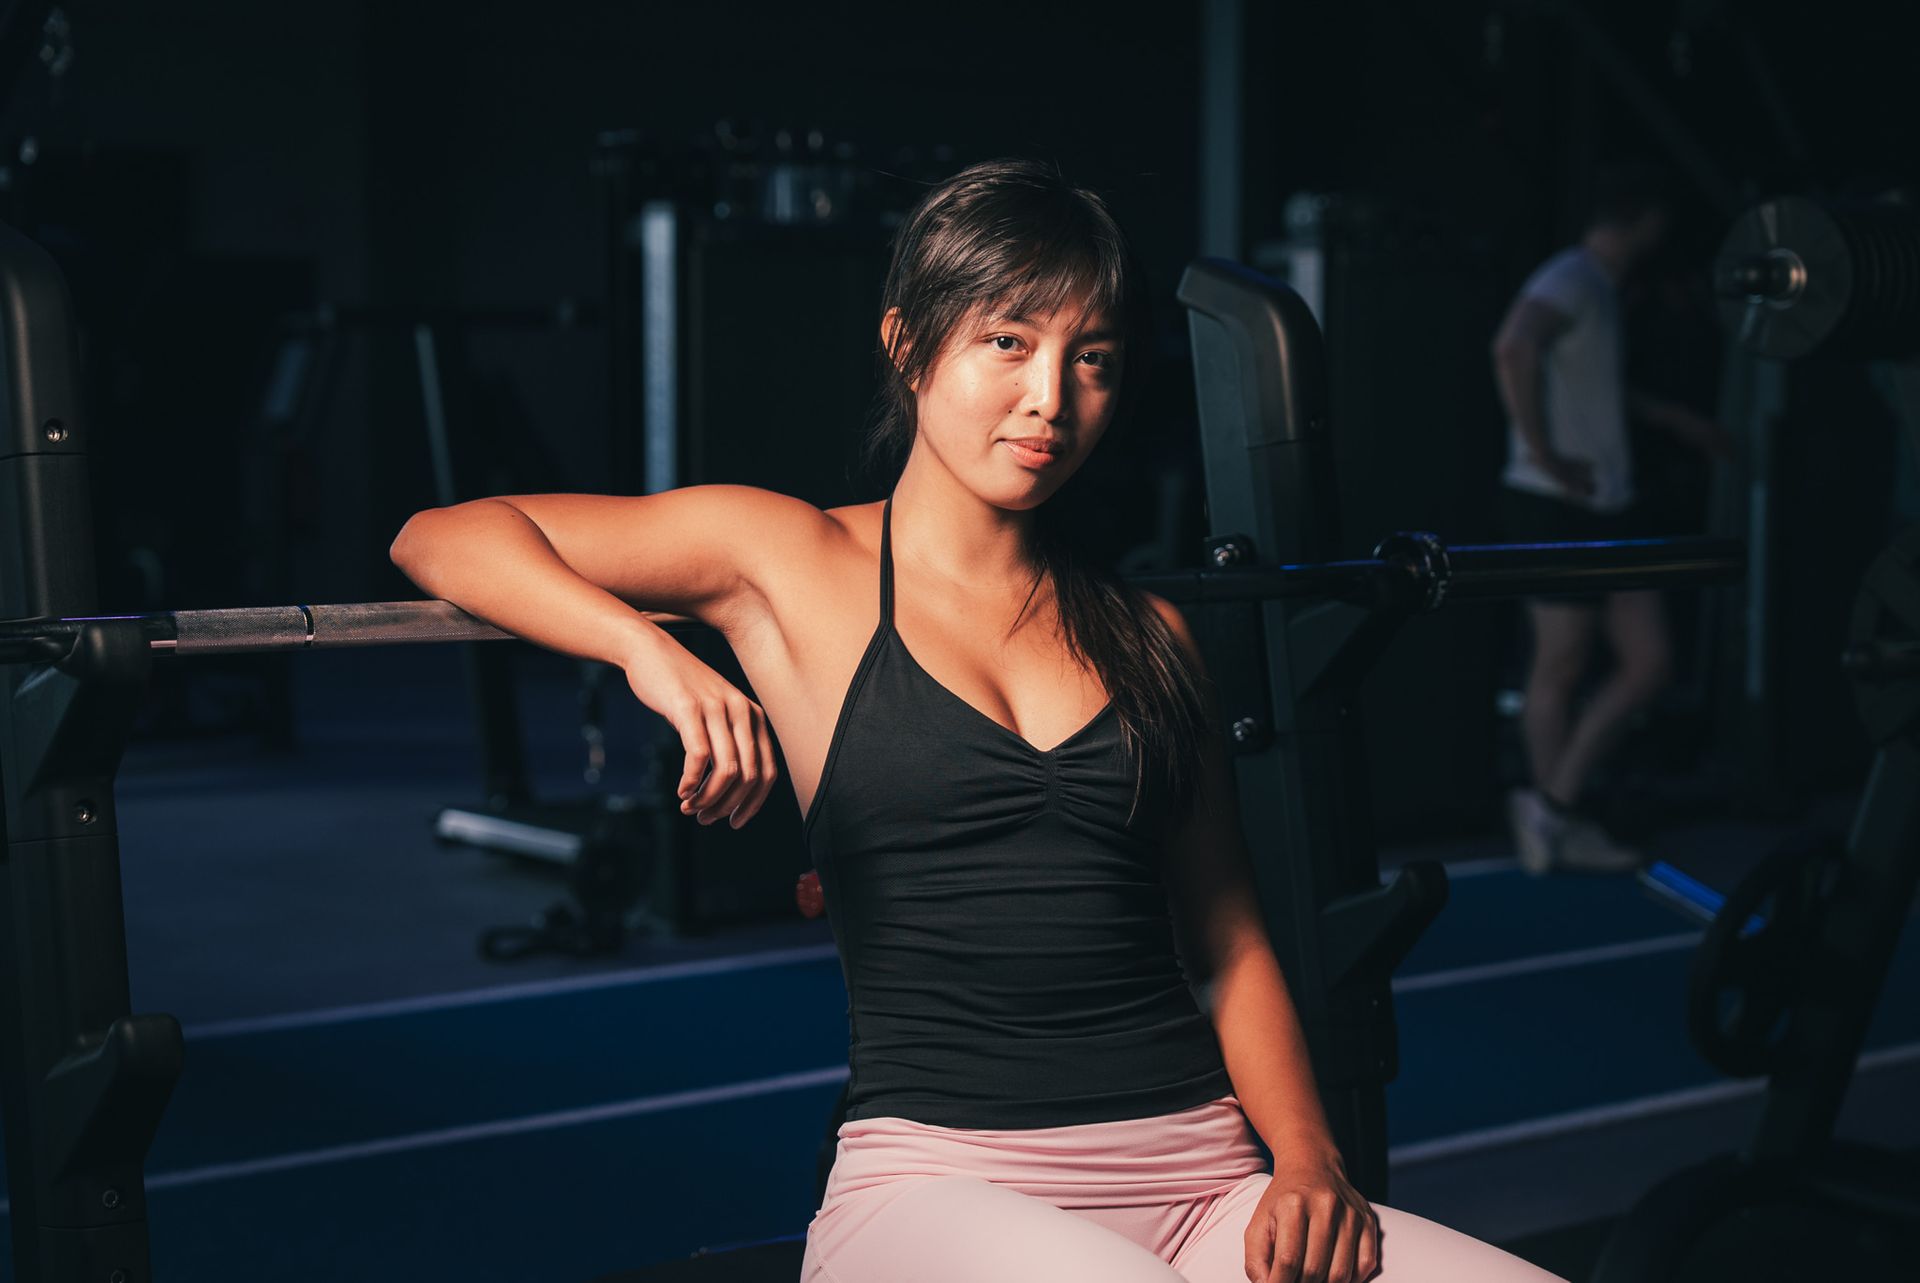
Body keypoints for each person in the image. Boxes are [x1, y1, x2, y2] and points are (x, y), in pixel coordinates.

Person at [393, 159, 1563, 1283]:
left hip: (1205, 1180)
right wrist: (651, 652)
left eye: (1091, 358)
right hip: (941, 1186)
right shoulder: (789, 557)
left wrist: (1309, 1163)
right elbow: (442, 535)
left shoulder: (1150, 631)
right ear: (908, 343)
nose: (1050, 398)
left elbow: (1229, 941)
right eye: (1008, 341)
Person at [1490, 164, 1731, 877]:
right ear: (1646, 217)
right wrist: (1544, 452)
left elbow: (1595, 382)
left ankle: (1553, 805)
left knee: (1650, 662)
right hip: (1555, 500)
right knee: (1560, 663)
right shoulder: (1571, 275)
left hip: (1608, 504)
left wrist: (1678, 422)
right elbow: (1513, 346)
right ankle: (1555, 817)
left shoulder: (1597, 286)